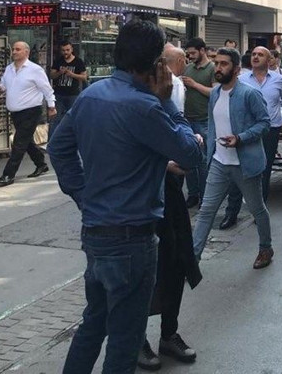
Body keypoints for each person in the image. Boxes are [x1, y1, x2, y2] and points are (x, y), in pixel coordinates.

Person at [48, 20, 202, 374]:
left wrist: (83, 194)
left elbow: (59, 148)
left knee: (93, 324)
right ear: (153, 64)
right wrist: (168, 104)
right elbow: (191, 156)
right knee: (124, 338)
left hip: (97, 230)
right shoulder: (146, 106)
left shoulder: (92, 95)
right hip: (132, 238)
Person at [138, 44, 200, 371]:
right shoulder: (129, 98)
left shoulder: (170, 87)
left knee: (175, 261)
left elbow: (182, 144)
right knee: (144, 271)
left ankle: (168, 333)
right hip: (140, 197)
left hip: (169, 190)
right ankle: (138, 340)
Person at [191, 48, 274, 269]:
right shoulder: (215, 94)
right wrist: (209, 153)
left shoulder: (249, 94)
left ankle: (265, 248)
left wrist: (241, 138)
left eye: (224, 64)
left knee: (257, 209)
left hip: (244, 164)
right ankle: (193, 258)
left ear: (236, 69)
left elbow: (265, 123)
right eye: (217, 63)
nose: (218, 68)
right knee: (206, 210)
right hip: (219, 162)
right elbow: (212, 124)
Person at [220, 47, 282, 229]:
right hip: (245, 130)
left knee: (264, 170)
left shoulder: (278, 79)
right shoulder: (242, 79)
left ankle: (259, 211)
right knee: (239, 169)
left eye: (260, 54)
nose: (255, 57)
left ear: (269, 60)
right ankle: (232, 213)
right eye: (253, 54)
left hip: (270, 130)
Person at [0, 41, 57, 186]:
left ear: (26, 52)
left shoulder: (35, 70)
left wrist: (51, 106)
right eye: (13, 49)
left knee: (19, 143)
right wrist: (0, 88)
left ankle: (8, 174)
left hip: (31, 111)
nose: (14, 52)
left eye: (18, 49)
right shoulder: (9, 69)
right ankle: (41, 163)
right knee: (26, 140)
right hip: (15, 112)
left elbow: (47, 89)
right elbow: (4, 84)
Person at [182, 38, 216, 207]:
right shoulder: (188, 68)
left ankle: (205, 197)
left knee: (203, 161)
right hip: (187, 120)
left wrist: (194, 85)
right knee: (189, 159)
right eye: (188, 53)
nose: (191, 56)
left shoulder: (212, 69)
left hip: (204, 120)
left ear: (202, 50)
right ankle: (193, 194)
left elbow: (214, 93)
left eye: (193, 52)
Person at [49, 41, 88, 139]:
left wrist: (72, 75)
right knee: (55, 119)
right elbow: (51, 75)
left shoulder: (78, 61)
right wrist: (59, 73)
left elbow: (84, 77)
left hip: (73, 94)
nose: (65, 52)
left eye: (67, 50)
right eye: (63, 50)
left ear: (71, 50)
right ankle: (52, 140)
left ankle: (74, 139)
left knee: (74, 117)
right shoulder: (58, 61)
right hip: (59, 94)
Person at [163, 44, 186, 113]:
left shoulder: (159, 78)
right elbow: (178, 111)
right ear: (179, 61)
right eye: (185, 61)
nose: (186, 65)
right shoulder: (176, 83)